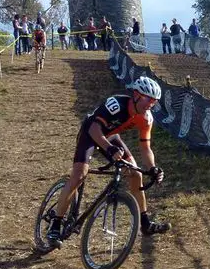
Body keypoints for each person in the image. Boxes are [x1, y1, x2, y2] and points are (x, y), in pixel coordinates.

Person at [45, 76, 170, 246]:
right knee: (79, 174)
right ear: (136, 94)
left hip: (110, 135)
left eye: (154, 101)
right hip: (91, 133)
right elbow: (95, 129)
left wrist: (153, 168)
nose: (150, 104)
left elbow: (145, 148)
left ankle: (145, 223)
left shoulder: (146, 118)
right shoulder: (117, 104)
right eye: (148, 99)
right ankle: (56, 224)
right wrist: (109, 148)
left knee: (135, 173)